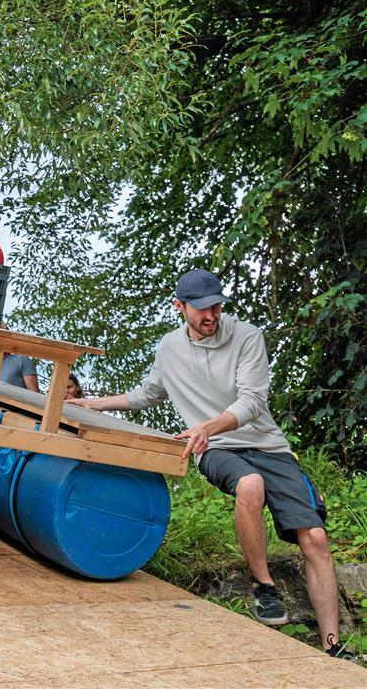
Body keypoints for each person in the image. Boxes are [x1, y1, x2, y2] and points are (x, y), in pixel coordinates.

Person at [69, 268, 357, 662]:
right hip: (217, 449)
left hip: (265, 445)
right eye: (202, 309)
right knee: (249, 485)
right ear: (180, 307)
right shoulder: (169, 348)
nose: (211, 316)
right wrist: (95, 403)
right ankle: (264, 586)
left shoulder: (247, 336)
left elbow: (252, 401)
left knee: (317, 539)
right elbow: (149, 394)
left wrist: (208, 424)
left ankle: (333, 647)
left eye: (217, 307)